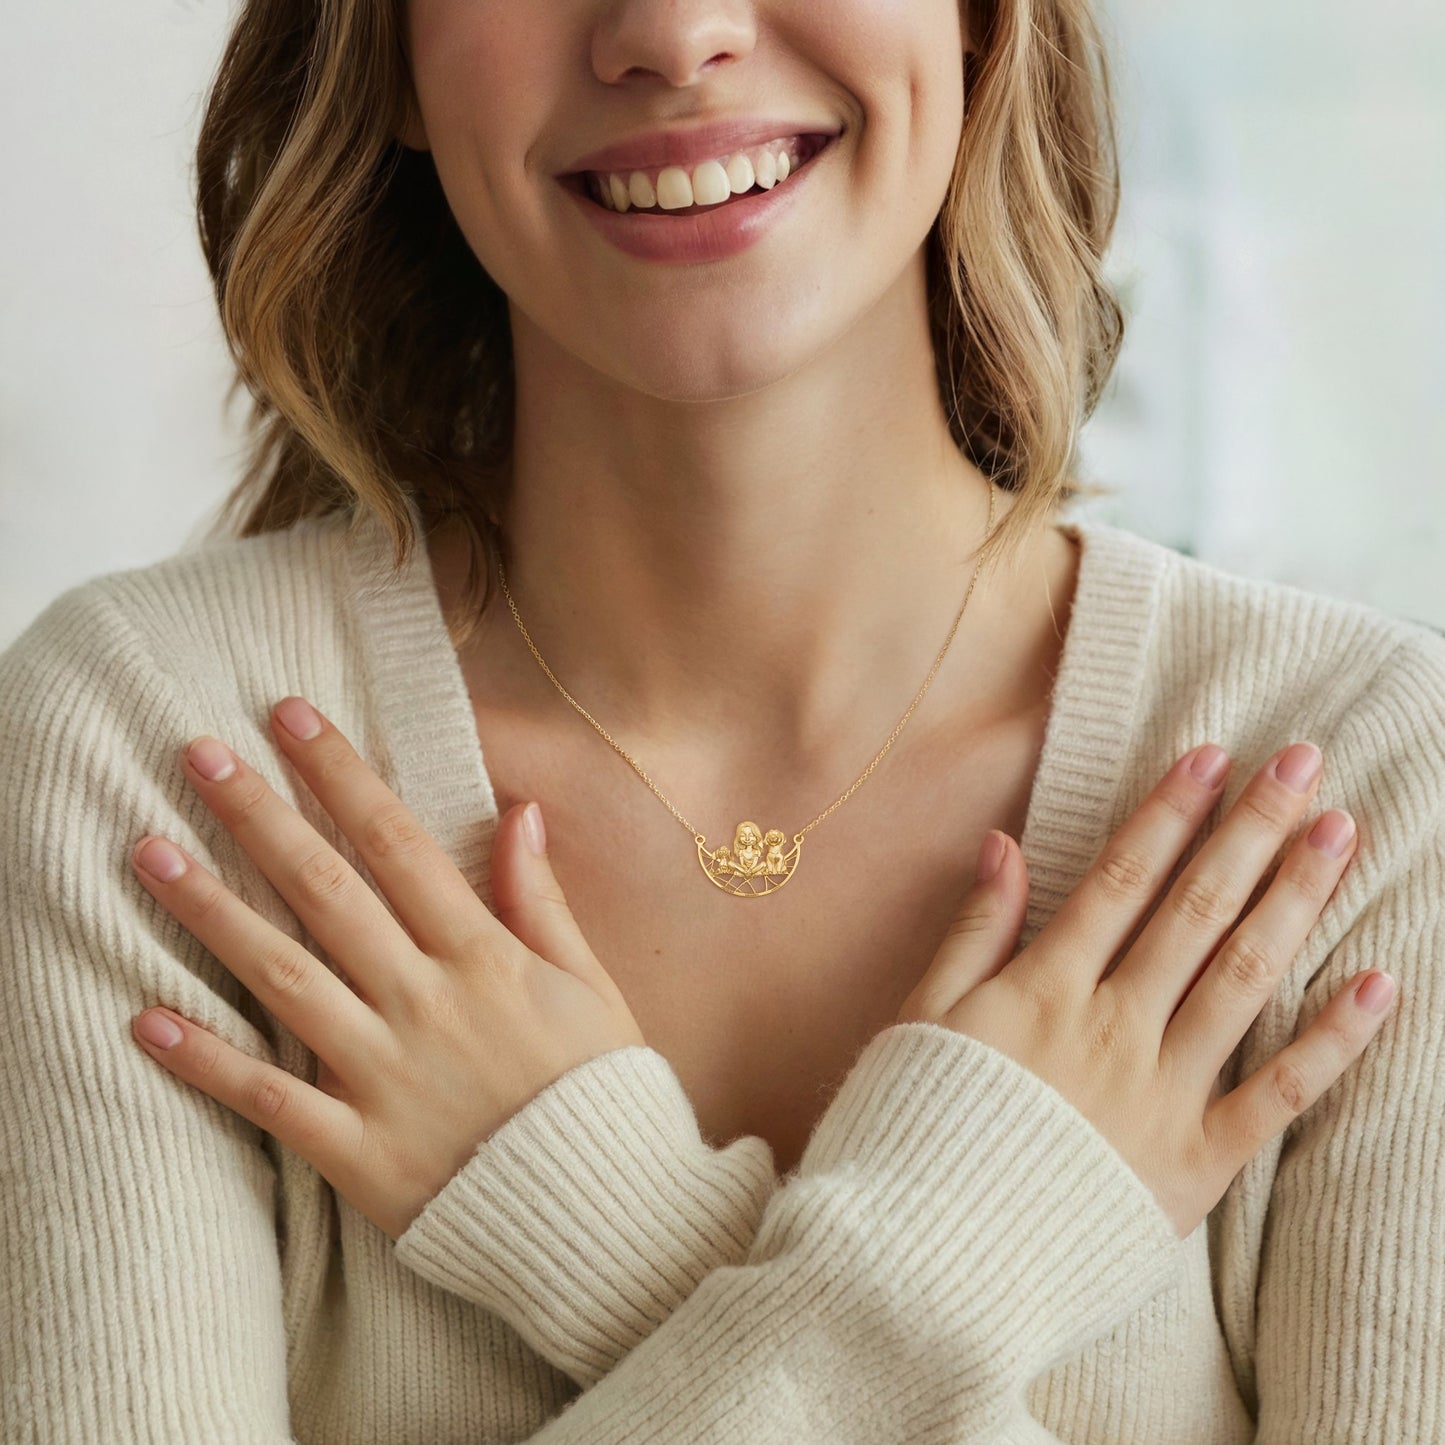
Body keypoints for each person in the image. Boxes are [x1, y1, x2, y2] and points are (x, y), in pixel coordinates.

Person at [1, 0, 1441, 1440]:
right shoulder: (157, 756)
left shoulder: (1360, 789)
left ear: (982, 22)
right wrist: (969, 1250)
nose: (673, 33)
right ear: (384, 55)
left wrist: (577, 1204)